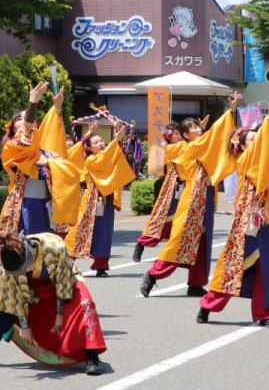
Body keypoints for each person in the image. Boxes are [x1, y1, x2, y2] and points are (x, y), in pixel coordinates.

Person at [0, 82, 79, 334]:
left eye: (30, 122)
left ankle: (46, 313)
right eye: (22, 123)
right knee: (1, 264)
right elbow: (28, 141)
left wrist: (55, 110)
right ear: (13, 130)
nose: (28, 125)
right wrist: (33, 103)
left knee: (47, 264)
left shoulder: (44, 152)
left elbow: (54, 147)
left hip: (43, 213)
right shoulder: (13, 150)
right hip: (21, 212)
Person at [0, 229, 107, 375]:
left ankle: (92, 356)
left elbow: (63, 285)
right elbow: (14, 295)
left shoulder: (56, 248)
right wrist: (25, 326)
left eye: (25, 268)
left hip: (62, 285)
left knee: (85, 303)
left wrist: (59, 316)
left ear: (30, 256)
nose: (25, 271)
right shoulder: (9, 259)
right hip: (30, 289)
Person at [140, 93, 241, 298]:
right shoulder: (192, 146)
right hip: (192, 196)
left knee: (203, 240)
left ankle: (196, 283)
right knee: (181, 239)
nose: (198, 129)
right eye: (193, 127)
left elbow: (214, 140)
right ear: (186, 135)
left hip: (204, 194)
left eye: (197, 126)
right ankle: (153, 273)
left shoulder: (197, 144)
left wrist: (206, 129)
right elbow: (214, 136)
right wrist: (229, 111)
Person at [199, 106, 269, 327]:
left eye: (258, 138)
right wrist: (268, 120)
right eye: (252, 139)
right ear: (241, 146)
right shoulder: (245, 160)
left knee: (265, 268)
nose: (258, 142)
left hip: (265, 219)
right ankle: (208, 304)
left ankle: (265, 313)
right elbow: (264, 147)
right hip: (246, 221)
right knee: (233, 264)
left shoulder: (264, 159)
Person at [66, 125, 135, 277]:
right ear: (89, 148)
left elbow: (115, 158)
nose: (101, 144)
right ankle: (67, 260)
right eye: (96, 142)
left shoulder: (107, 156)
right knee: (80, 230)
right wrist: (115, 140)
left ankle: (101, 265)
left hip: (106, 199)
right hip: (91, 198)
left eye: (102, 141)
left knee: (104, 232)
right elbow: (106, 158)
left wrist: (118, 142)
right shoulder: (91, 160)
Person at [133, 120, 194, 262]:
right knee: (161, 218)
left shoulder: (182, 146)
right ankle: (142, 243)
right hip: (173, 186)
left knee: (182, 221)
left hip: (185, 184)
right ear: (169, 137)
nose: (178, 136)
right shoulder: (172, 148)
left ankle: (178, 251)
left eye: (179, 134)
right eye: (176, 134)